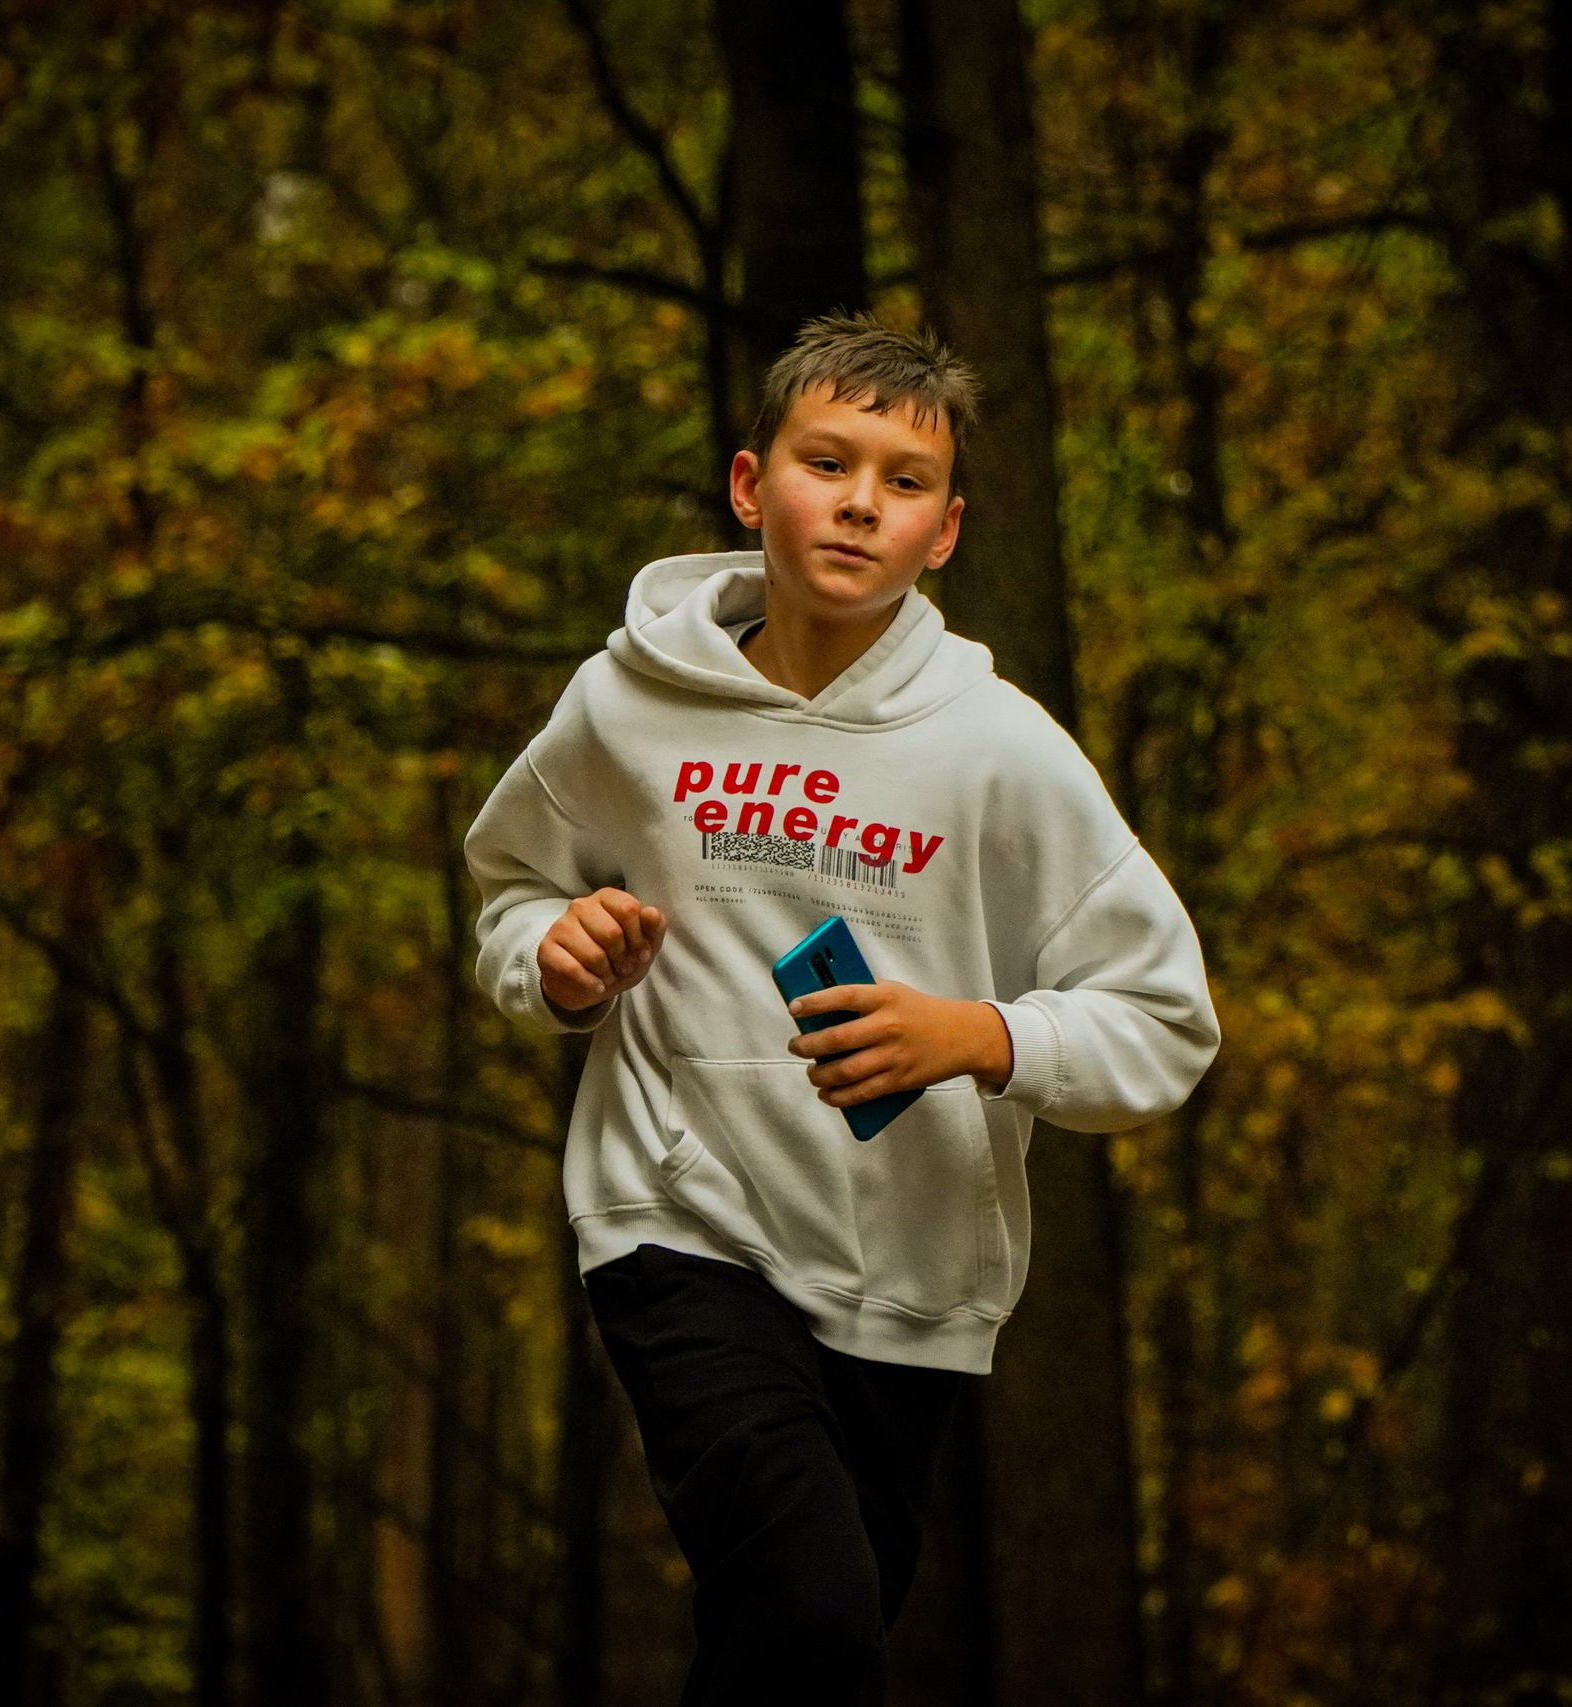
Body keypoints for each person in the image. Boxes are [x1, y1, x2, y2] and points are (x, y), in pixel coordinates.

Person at [463, 312, 1219, 1705]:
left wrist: (983, 1037)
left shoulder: (998, 750)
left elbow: (1166, 1020)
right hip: (673, 1220)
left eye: (904, 478)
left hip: (906, 1269)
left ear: (946, 529)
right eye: (829, 462)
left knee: (807, 1641)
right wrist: (554, 957)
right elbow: (511, 890)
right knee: (810, 1616)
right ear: (753, 488)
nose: (861, 500)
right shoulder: (625, 703)